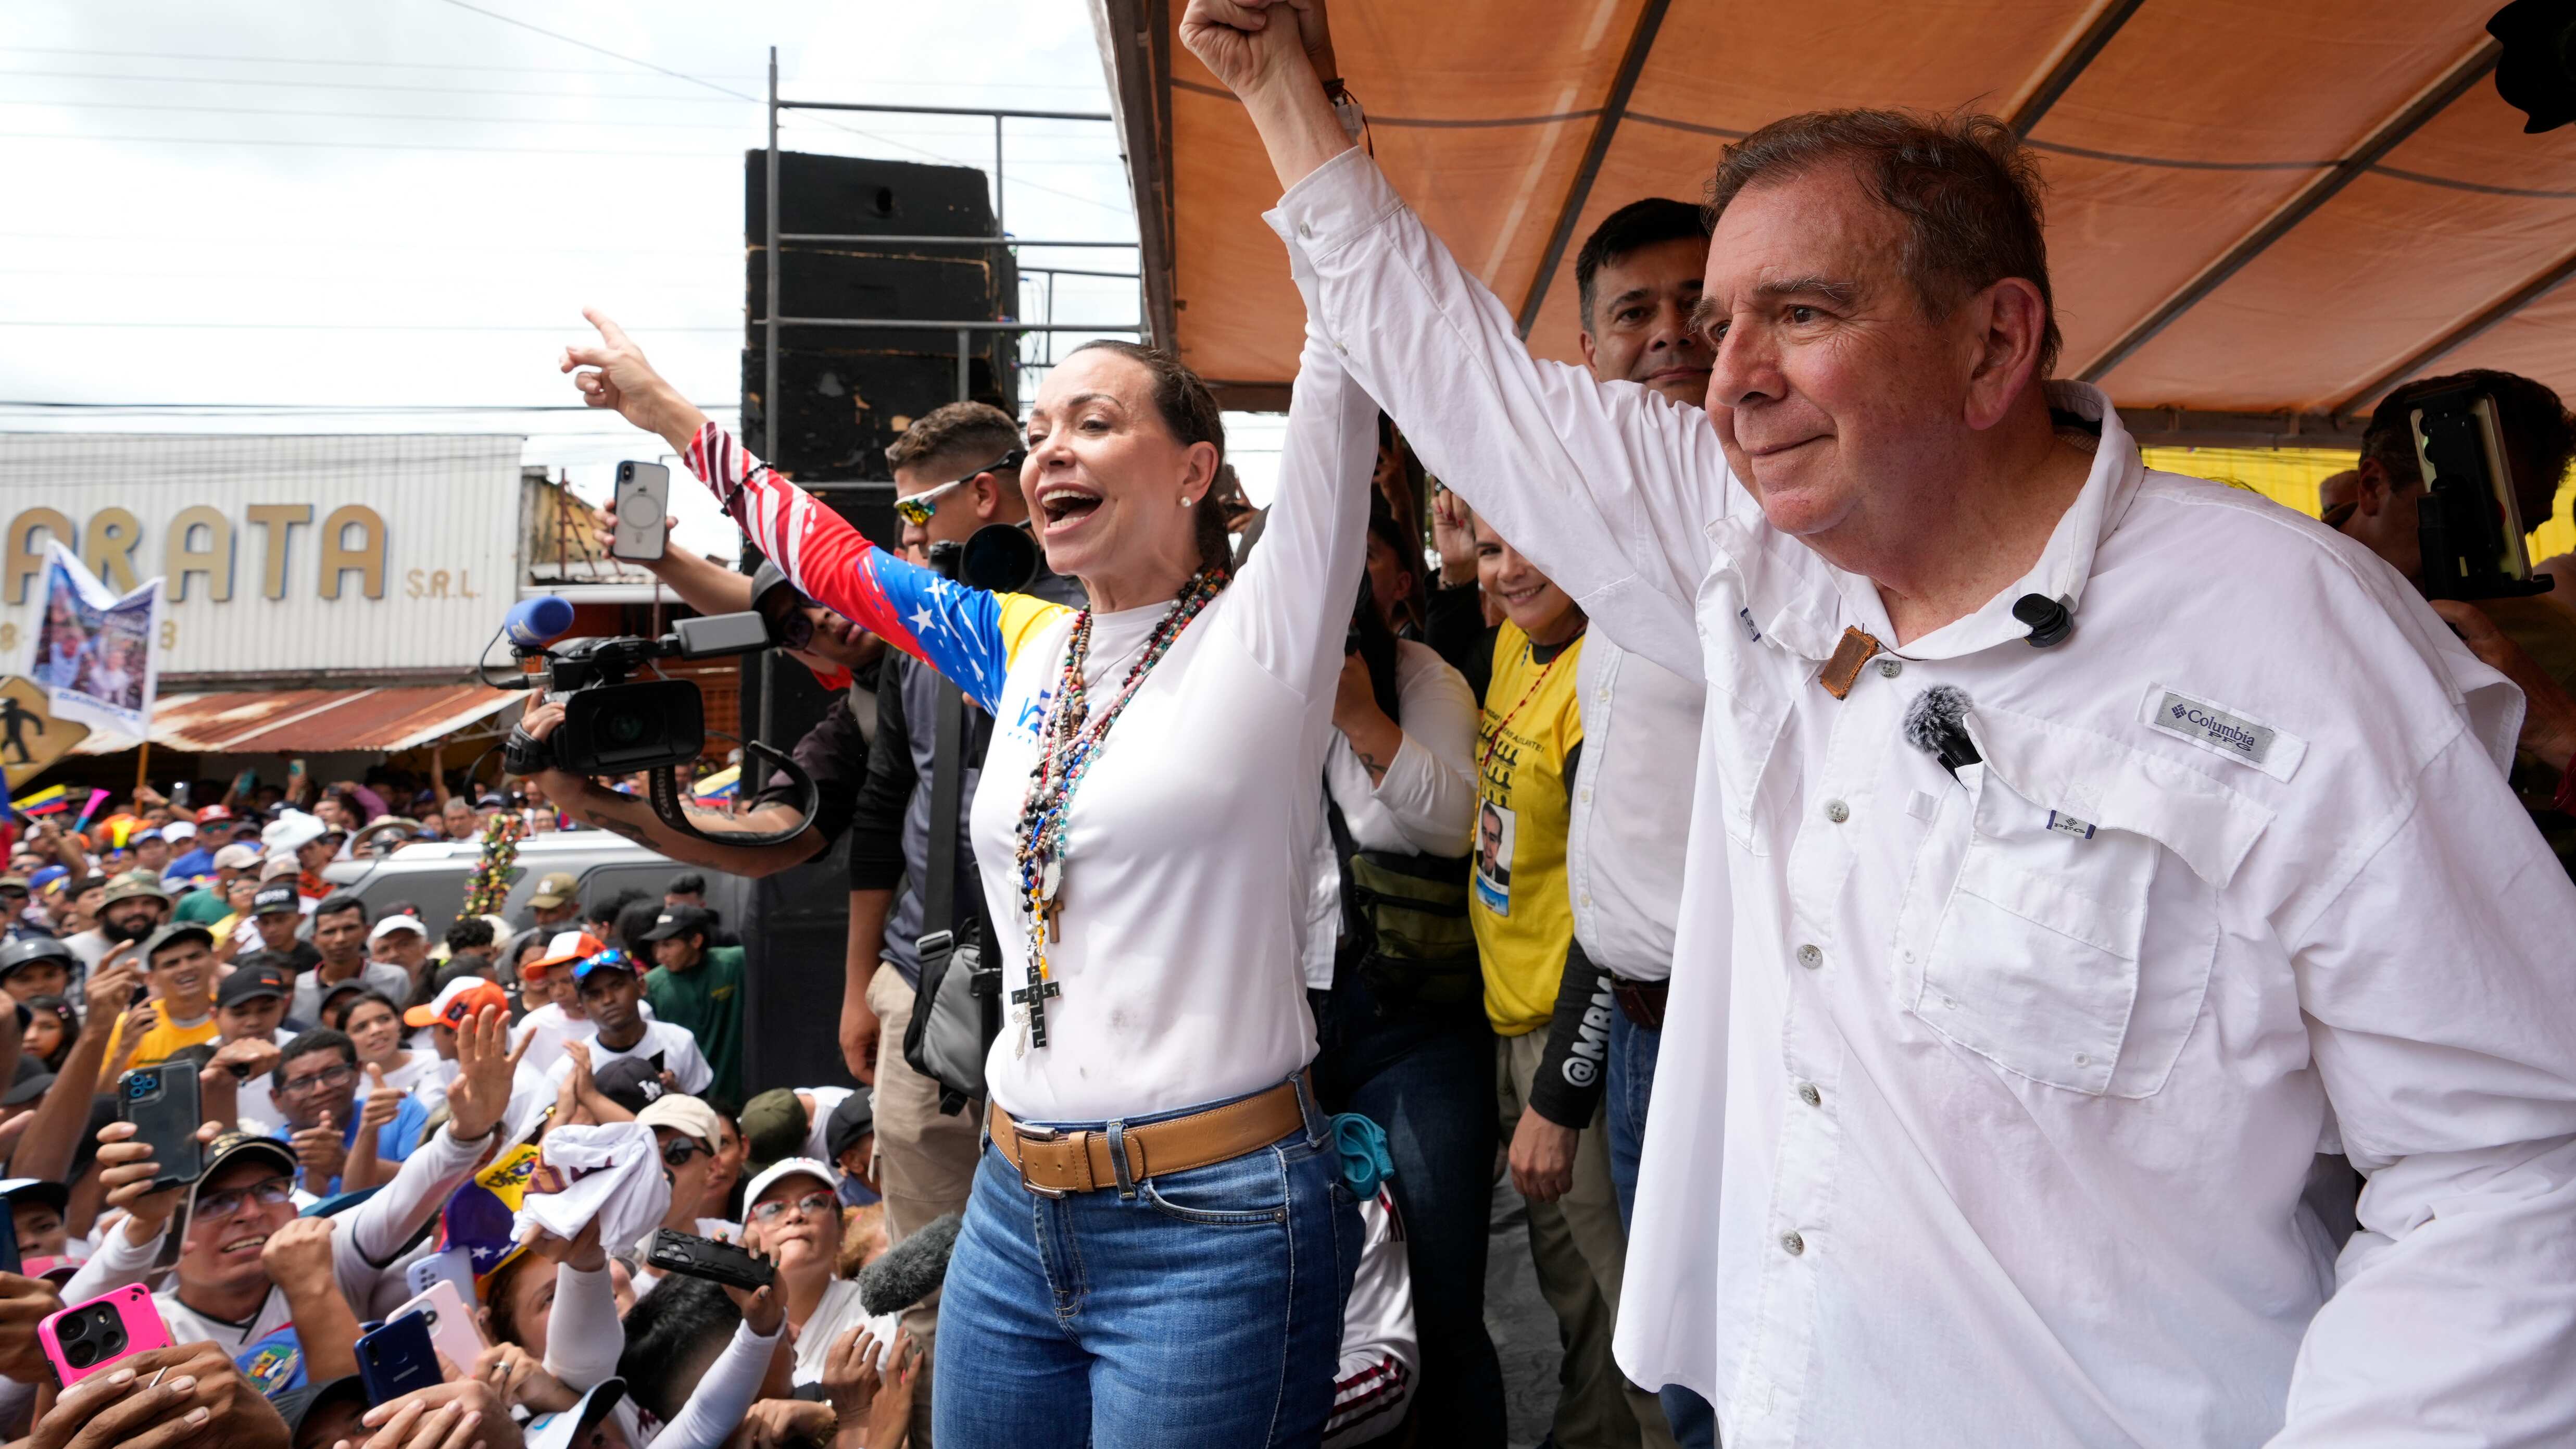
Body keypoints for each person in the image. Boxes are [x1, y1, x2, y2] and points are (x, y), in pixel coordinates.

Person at [1193, 16, 2576, 1436]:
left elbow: (2512, 1162)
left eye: (1798, 314)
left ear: (1993, 342)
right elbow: (1455, 372)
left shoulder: (2289, 632)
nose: (1726, 376)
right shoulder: (1753, 548)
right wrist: (1277, 88)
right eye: (1722, 324)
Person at [561, 270, 1370, 1446]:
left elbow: (1338, 379)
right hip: (1010, 1209)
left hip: (1213, 1226)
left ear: (1195, 468)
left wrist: (1306, 135)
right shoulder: (1022, 640)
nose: (1049, 453)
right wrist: (671, 418)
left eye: (1095, 423)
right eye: (1038, 432)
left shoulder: (1266, 633)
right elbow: (833, 562)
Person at [829, 402, 1089, 1376]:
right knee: (931, 1297)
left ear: (984, 494)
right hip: (918, 990)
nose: (909, 536)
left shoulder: (1089, 621)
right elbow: (882, 804)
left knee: (1063, 1280)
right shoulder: (915, 633)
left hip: (1066, 996)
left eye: (918, 512)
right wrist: (865, 988)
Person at [1525, 194, 1724, 1448]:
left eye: (1693, 307)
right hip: (1644, 1031)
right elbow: (1616, 847)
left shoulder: (1809, 526)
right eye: (1631, 314)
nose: (1668, 337)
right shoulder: (1592, 547)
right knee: (1676, 1354)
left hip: (1755, 1040)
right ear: (1587, 351)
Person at [69, 1003, 521, 1350]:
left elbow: (408, 1193)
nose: (249, 1213)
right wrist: (146, 1225)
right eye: (216, 1202)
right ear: (176, 1234)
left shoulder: (327, 1251)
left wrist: (466, 1134)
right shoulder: (154, 1324)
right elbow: (57, 1334)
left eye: (268, 1190)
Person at [2334, 369, 2576, 879]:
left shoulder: (2552, 644)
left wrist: (2556, 727)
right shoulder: (2266, 585)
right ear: (2374, 486)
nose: (2498, 558)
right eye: (2474, 524)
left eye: (2524, 528)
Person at [268, 1028, 430, 1195]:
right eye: (301, 1083)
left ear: (358, 1073)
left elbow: (433, 1181)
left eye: (334, 1073)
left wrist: (343, 1162)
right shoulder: (265, 1155)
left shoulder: (395, 1110)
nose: (320, 1089)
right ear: (277, 1099)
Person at [544, 946, 711, 1098]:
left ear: (641, 987)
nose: (608, 1000)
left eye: (617, 986)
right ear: (582, 1009)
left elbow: (707, 1114)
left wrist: (676, 1095)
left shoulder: (678, 1040)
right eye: (595, 994)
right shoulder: (570, 1070)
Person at [637, 906, 743, 1111]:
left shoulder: (735, 964)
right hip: (686, 1095)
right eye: (656, 946)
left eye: (668, 945)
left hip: (739, 1089)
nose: (660, 955)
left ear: (696, 941)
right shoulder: (652, 986)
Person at [96, 922, 222, 1083]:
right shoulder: (130, 1026)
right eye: (171, 963)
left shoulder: (236, 1014)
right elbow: (101, 1099)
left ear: (215, 960)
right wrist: (123, 1051)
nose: (185, 968)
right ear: (151, 978)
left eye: (194, 957)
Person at [288, 895, 409, 1025]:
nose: (340, 939)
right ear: (315, 940)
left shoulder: (394, 979)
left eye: (349, 929)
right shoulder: (298, 988)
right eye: (329, 932)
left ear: (367, 931)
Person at [367, 914, 436, 1008]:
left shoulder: (446, 981)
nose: (394, 955)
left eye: (404, 945)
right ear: (373, 960)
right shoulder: (369, 999)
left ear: (427, 949)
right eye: (384, 950)